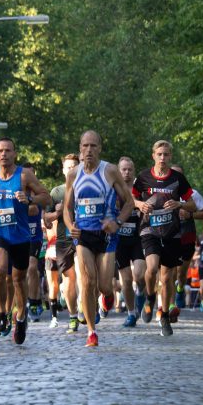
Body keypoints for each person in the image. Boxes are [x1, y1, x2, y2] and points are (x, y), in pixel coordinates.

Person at [63, 130, 134, 347]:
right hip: (83, 235)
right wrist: (70, 226)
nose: (89, 150)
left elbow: (129, 203)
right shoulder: (74, 174)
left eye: (93, 146)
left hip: (106, 235)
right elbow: (67, 208)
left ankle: (107, 296)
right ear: (80, 149)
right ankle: (92, 332)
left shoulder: (110, 171)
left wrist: (118, 223)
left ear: (100, 149)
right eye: (85, 146)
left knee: (104, 285)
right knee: (87, 281)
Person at [0, 137, 51, 345]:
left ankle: (20, 318)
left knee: (19, 279)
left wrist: (29, 199)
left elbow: (45, 197)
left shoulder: (24, 176)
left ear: (14, 154)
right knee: (0, 270)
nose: (4, 154)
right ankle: (1, 314)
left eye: (8, 151)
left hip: (20, 235)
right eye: (0, 151)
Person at [132, 140, 196, 337]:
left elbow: (193, 205)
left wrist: (179, 204)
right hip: (149, 229)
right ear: (153, 155)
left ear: (170, 156)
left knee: (167, 276)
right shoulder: (143, 177)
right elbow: (129, 199)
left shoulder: (178, 179)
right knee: (151, 269)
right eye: (159, 154)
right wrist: (139, 204)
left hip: (172, 232)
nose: (162, 158)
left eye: (166, 154)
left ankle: (165, 315)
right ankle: (150, 297)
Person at [44, 154, 81, 333]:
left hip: (83, 237)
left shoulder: (86, 187)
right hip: (63, 240)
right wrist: (56, 214)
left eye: (74, 166)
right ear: (63, 170)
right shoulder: (56, 192)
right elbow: (46, 218)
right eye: (68, 167)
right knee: (69, 280)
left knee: (84, 274)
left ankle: (85, 306)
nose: (71, 170)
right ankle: (73, 315)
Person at [170, 164, 203, 318]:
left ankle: (180, 287)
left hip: (187, 236)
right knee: (171, 271)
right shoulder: (164, 193)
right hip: (170, 236)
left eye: (179, 175)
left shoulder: (192, 194)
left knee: (181, 273)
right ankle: (171, 304)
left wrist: (190, 215)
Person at [114, 156, 146, 328]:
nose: (126, 172)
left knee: (139, 275)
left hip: (138, 237)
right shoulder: (113, 188)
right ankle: (131, 313)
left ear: (134, 171)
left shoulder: (140, 188)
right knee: (125, 280)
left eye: (129, 169)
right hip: (120, 239)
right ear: (118, 171)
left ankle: (141, 291)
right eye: (123, 169)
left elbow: (147, 205)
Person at [23, 163, 45, 323]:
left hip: (34, 237)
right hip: (19, 237)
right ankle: (29, 300)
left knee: (33, 269)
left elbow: (36, 210)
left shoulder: (37, 193)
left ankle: (33, 302)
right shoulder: (16, 191)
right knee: (21, 274)